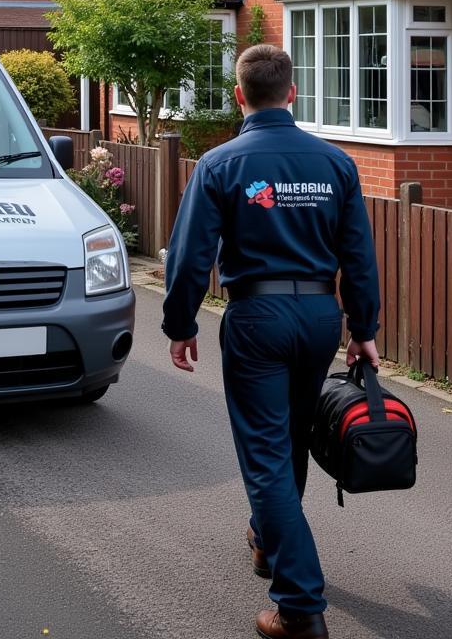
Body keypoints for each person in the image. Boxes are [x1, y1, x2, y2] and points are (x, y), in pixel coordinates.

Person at [162, 43, 380, 639]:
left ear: (239, 96)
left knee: (265, 454)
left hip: (256, 317)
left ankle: (300, 607)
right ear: (292, 93)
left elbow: (189, 258)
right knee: (289, 439)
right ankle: (266, 541)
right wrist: (363, 330)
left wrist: (180, 323)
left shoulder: (220, 163)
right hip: (317, 316)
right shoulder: (336, 163)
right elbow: (358, 255)